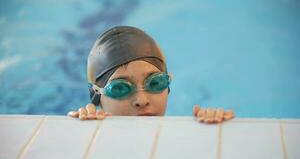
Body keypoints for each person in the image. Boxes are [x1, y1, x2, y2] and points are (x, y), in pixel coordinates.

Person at [68, 26, 234, 124]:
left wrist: (209, 130)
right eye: (120, 88)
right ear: (96, 96)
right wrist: (83, 135)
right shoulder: (93, 134)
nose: (142, 101)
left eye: (155, 83)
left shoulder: (180, 135)